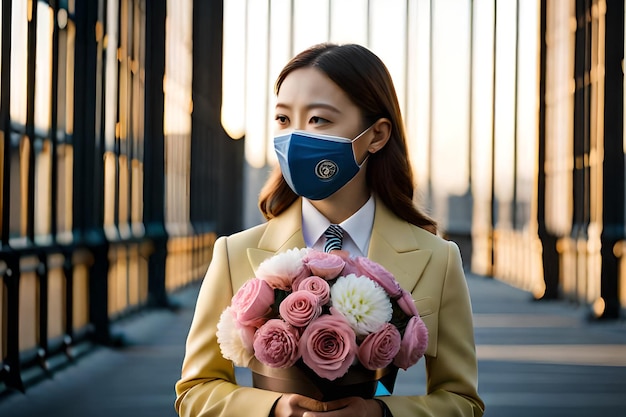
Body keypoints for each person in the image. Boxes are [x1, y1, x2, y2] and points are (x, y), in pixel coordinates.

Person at [175, 42, 484, 417]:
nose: (296, 137)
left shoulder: (437, 259)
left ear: (377, 134)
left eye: (319, 119)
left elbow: (462, 400)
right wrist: (273, 409)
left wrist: (381, 414)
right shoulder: (235, 253)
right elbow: (195, 390)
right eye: (284, 120)